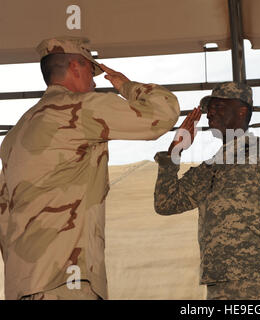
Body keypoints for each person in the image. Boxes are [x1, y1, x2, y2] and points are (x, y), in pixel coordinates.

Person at [0, 36, 180, 300]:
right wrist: (126, 85)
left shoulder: (15, 135)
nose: (94, 82)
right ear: (75, 67)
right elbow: (164, 113)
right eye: (90, 71)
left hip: (24, 284)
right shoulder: (81, 108)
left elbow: (4, 212)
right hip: (66, 280)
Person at [153, 82, 260, 300]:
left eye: (219, 106)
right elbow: (166, 203)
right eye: (210, 108)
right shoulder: (210, 168)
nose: (210, 113)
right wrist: (175, 151)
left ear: (242, 110)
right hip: (219, 287)